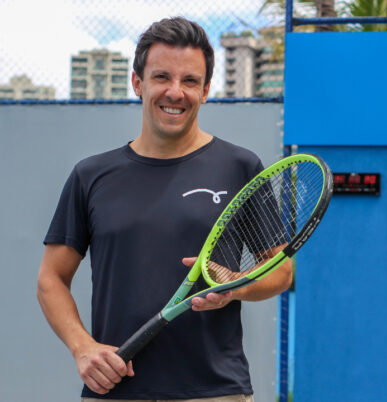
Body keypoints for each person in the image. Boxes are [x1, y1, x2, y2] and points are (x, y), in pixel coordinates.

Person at [36, 17, 292, 401]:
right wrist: (82, 347)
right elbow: (51, 279)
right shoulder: (90, 176)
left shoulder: (240, 167)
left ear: (205, 91)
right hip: (115, 389)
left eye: (190, 81)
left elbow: (281, 270)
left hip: (215, 391)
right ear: (137, 83)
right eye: (161, 77)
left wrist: (236, 285)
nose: (175, 92)